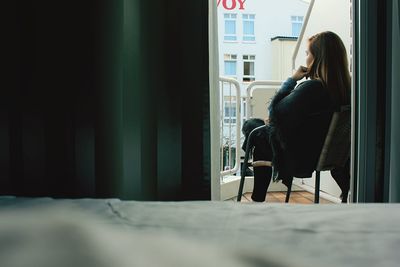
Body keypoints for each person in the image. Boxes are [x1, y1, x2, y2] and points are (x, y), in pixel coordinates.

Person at [242, 31, 351, 202]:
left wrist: (292, 79)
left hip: (299, 158)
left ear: (318, 58)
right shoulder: (347, 91)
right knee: (260, 132)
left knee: (252, 128)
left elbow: (275, 111)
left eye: (307, 53)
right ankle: (257, 196)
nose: (306, 58)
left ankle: (257, 199)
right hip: (325, 155)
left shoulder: (313, 88)